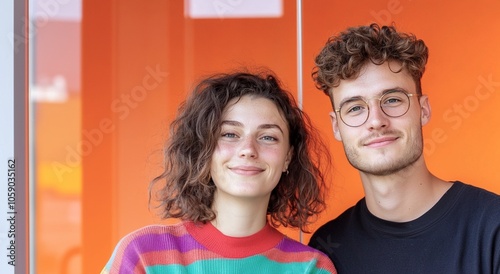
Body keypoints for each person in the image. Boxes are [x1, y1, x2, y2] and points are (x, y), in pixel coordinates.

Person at [308, 23, 500, 273]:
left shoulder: (492, 229)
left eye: (392, 100)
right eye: (355, 107)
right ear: (336, 126)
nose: (376, 121)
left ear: (424, 109)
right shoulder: (327, 251)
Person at [101, 71, 337, 273]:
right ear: (205, 149)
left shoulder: (311, 268)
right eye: (230, 134)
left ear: (287, 157)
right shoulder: (143, 254)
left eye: (268, 137)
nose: (248, 150)